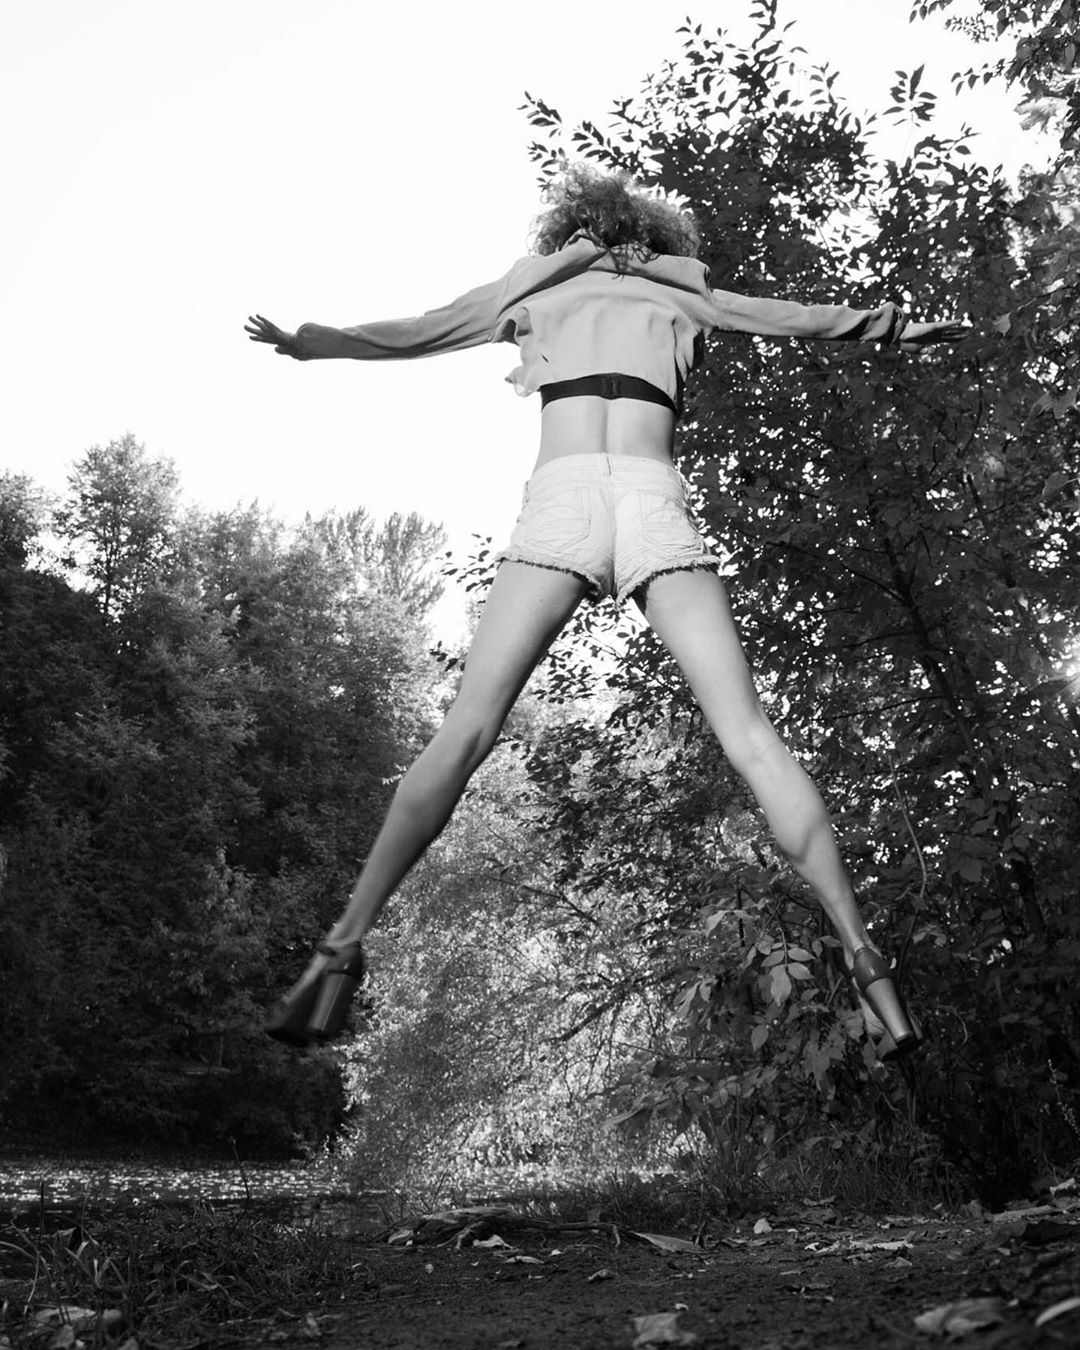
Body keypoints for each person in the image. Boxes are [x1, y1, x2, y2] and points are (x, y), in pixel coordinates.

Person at [246, 165, 965, 1060]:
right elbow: (799, 317)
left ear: (569, 228)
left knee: (466, 731)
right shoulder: (685, 289)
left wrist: (312, 343)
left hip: (565, 499)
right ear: (655, 237)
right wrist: (897, 325)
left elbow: (417, 331)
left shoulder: (533, 285)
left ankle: (339, 947)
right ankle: (867, 962)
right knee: (751, 738)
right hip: (654, 497)